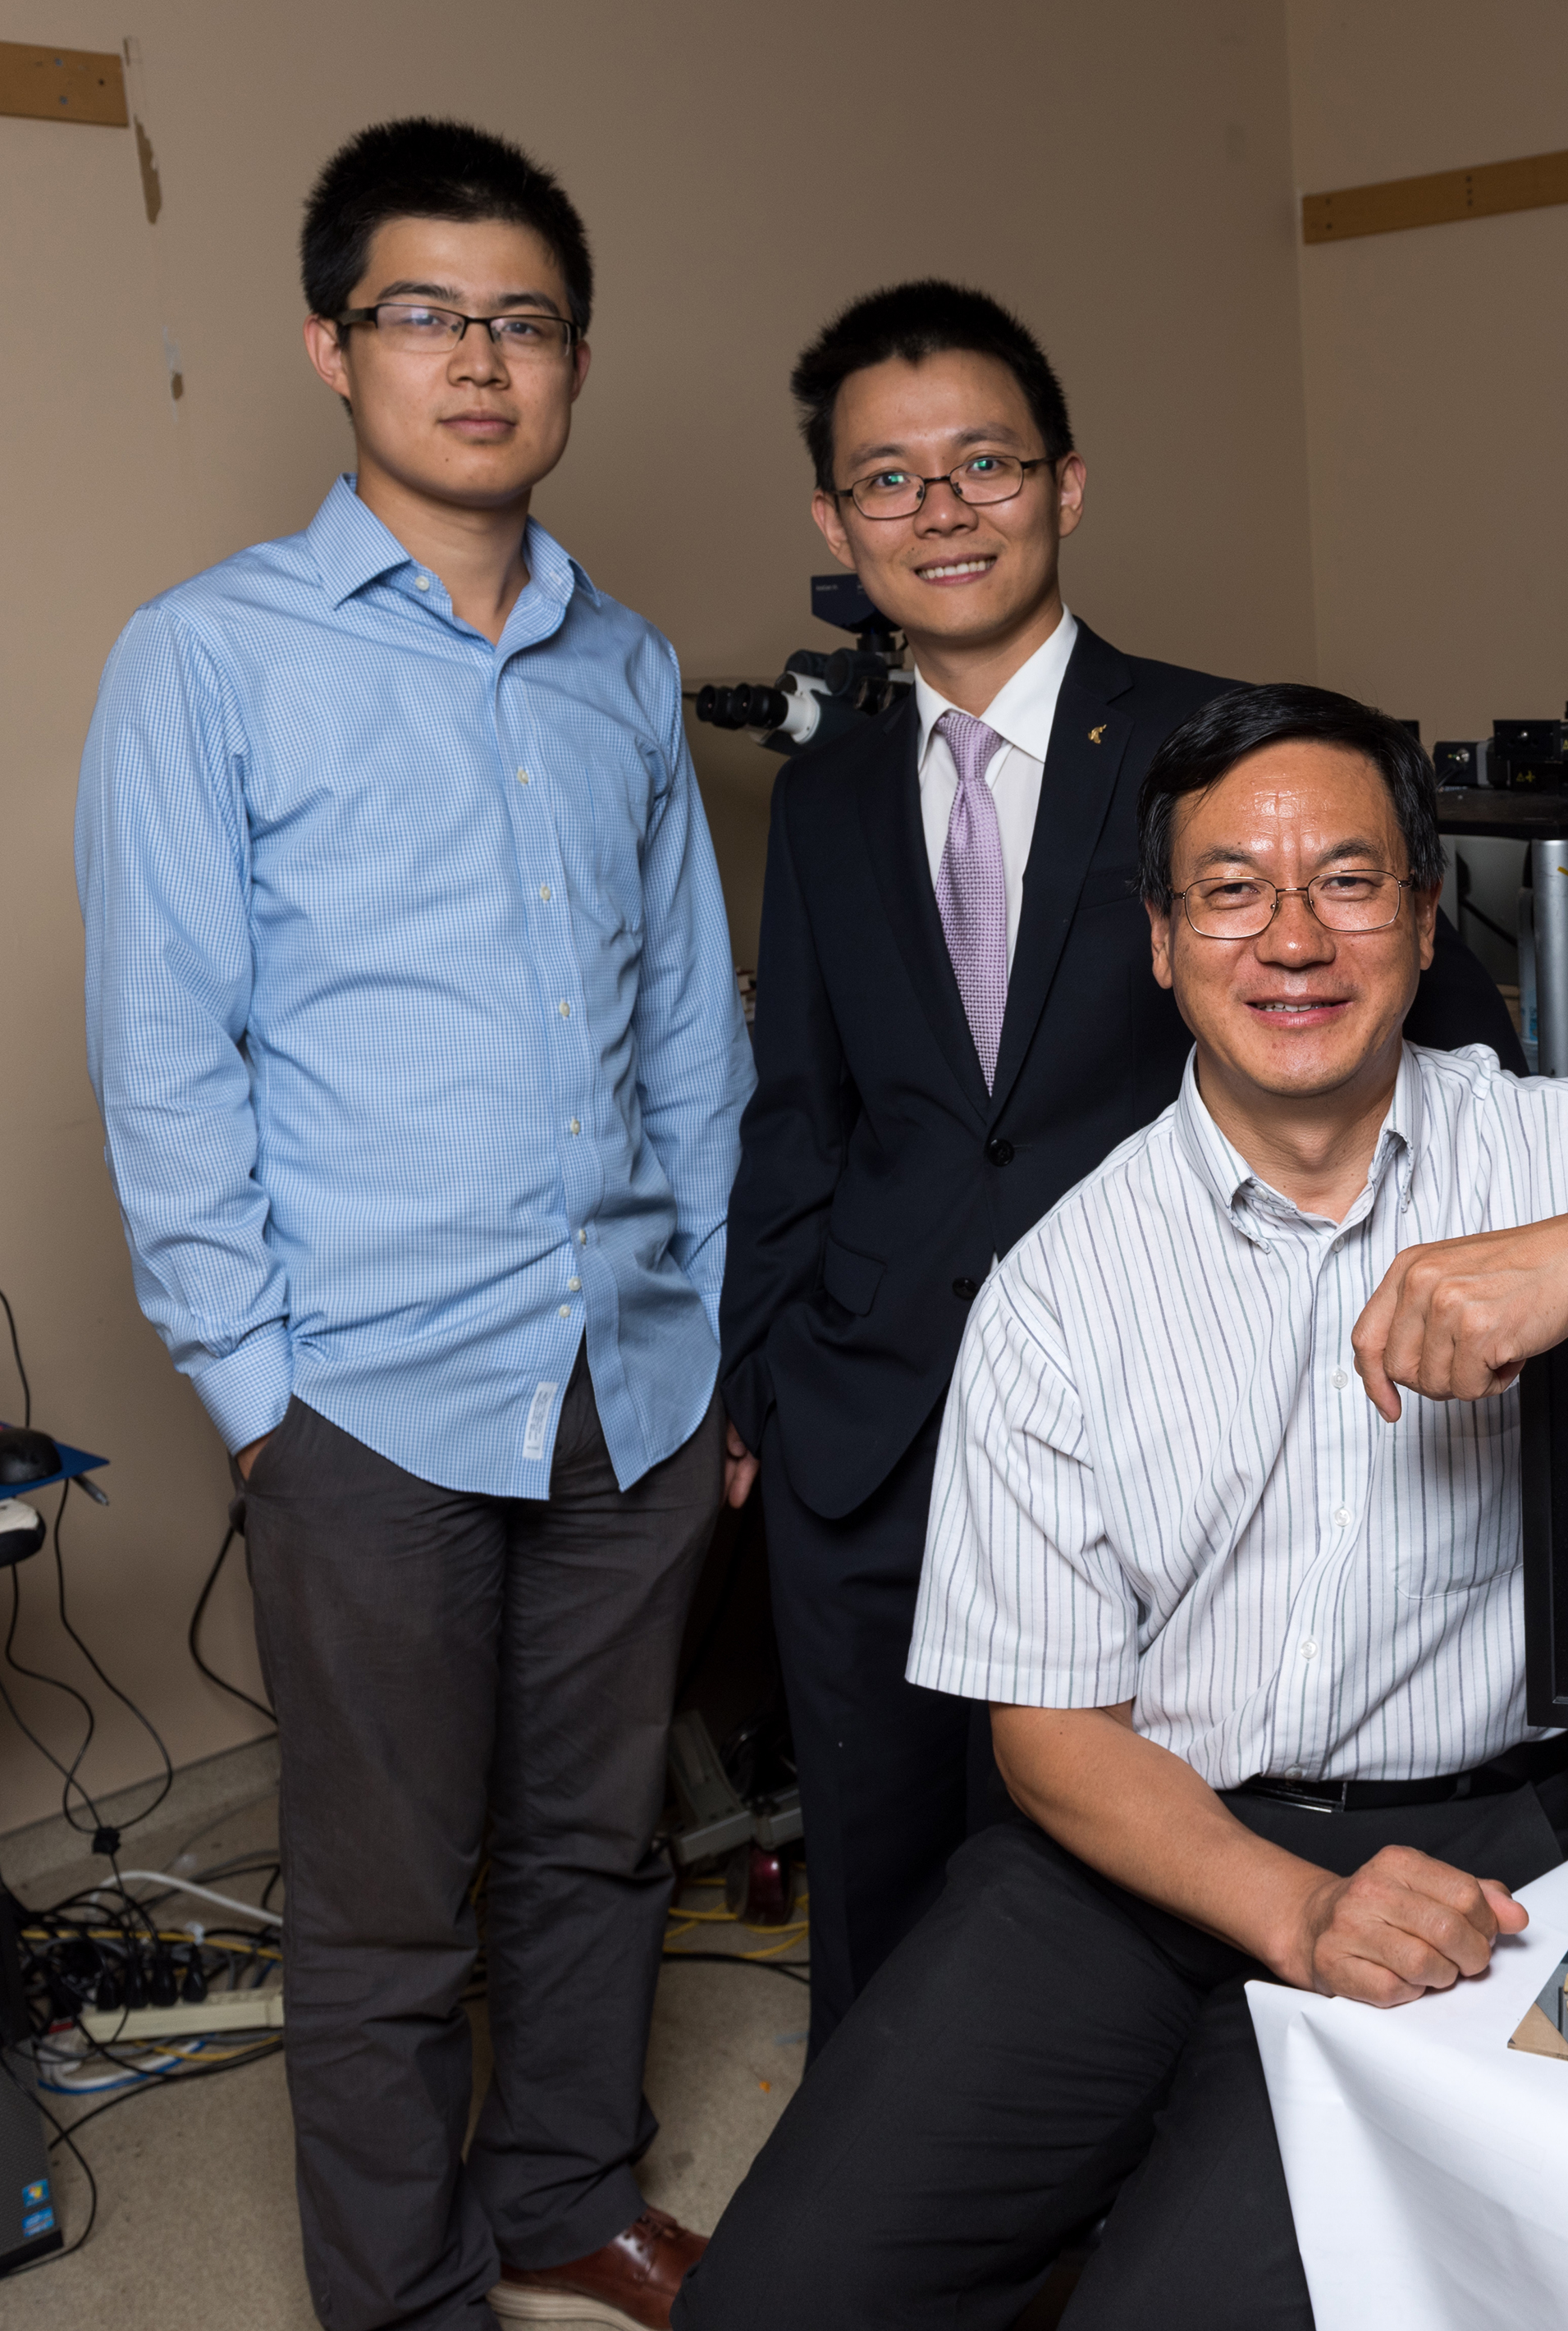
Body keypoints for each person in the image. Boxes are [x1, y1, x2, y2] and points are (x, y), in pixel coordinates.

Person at [677, 684, 1568, 2327]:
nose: (1293, 936)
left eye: (1347, 878)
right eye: (1232, 889)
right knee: (774, 2297)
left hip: (1472, 1834)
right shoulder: (1058, 1287)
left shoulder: (1554, 1148)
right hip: (1129, 1838)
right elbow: (1051, 1732)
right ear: (1163, 944)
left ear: (1419, 911)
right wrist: (1296, 1909)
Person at [74, 120, 749, 2331]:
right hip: (363, 1388)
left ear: (570, 364)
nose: (480, 361)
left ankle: (563, 2189)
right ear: (333, 346)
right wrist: (255, 1396)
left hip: (631, 1374)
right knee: (383, 1904)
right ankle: (399, 2294)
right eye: (427, 316)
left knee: (602, 1839)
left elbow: (691, 1043)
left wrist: (710, 1343)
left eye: (524, 322)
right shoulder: (208, 657)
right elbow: (167, 1053)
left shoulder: (622, 668)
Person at [715, 282, 1521, 2054]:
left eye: (983, 463)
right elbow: (805, 1109)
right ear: (837, 524)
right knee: (877, 1872)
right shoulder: (833, 790)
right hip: (871, 1423)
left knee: (1093, 1885)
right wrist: (756, 1379)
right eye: (890, 480)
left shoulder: (1212, 743)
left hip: (1140, 1416)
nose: (942, 509)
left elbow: (1443, 1032)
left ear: (1064, 486)